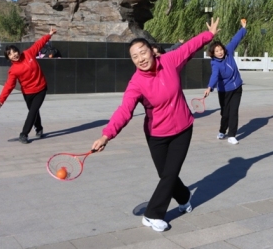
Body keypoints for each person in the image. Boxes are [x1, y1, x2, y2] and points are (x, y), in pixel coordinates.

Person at [91, 18, 219, 232]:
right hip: (156, 135)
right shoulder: (136, 84)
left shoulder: (169, 61)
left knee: (169, 174)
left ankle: (152, 214)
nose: (140, 58)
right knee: (166, 175)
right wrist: (106, 135)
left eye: (142, 52)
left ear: (151, 50)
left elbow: (189, 47)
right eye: (135, 56)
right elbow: (124, 111)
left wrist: (209, 36)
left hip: (182, 129)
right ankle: (185, 197)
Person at [0, 26, 57, 144]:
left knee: (32, 112)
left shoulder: (28, 54)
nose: (14, 55)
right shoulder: (13, 70)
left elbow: (38, 44)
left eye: (14, 52)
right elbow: (9, 86)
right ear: (8, 57)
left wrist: (49, 35)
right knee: (34, 112)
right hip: (28, 93)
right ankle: (39, 128)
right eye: (10, 54)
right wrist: (1, 100)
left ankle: (24, 134)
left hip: (41, 88)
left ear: (18, 51)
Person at [204, 19, 247, 144]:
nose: (220, 52)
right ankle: (222, 130)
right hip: (224, 91)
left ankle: (232, 135)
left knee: (233, 112)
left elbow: (235, 39)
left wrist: (243, 28)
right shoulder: (215, 64)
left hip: (237, 88)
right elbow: (214, 76)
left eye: (220, 49)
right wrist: (209, 87)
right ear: (213, 53)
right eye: (216, 51)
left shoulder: (229, 51)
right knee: (225, 113)